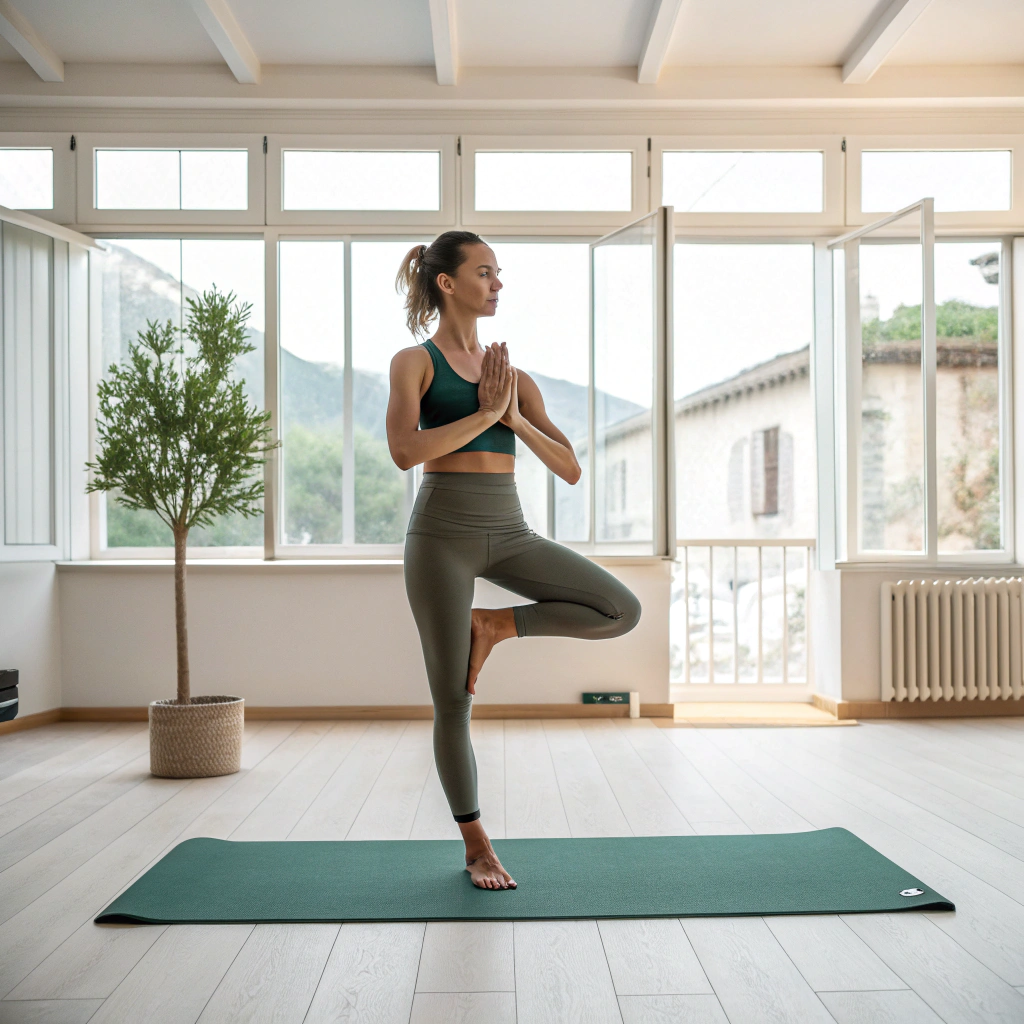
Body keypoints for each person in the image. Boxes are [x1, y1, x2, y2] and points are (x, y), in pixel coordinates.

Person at [386, 230, 642, 889]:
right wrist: (483, 415)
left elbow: (571, 468)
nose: (497, 284)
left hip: (509, 529)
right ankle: (476, 846)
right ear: (448, 283)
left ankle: (497, 625)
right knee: (452, 700)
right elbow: (406, 452)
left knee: (620, 609)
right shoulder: (413, 364)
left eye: (499, 274)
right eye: (485, 272)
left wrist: (514, 417)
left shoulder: (515, 378)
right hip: (440, 534)